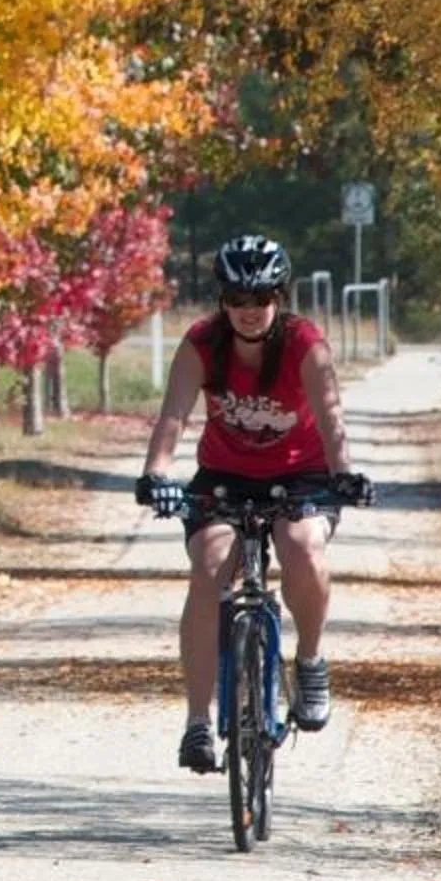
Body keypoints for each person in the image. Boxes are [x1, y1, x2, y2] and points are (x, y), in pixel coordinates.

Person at [134, 233, 374, 774]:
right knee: (210, 566)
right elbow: (172, 417)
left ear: (280, 297)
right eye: (237, 300)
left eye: (261, 298)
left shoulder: (303, 343)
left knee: (301, 546)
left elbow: (331, 420)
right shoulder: (202, 343)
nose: (248, 311)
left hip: (302, 474)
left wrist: (345, 476)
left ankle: (309, 659)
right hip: (225, 476)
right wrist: (156, 475)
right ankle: (198, 722)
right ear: (222, 301)